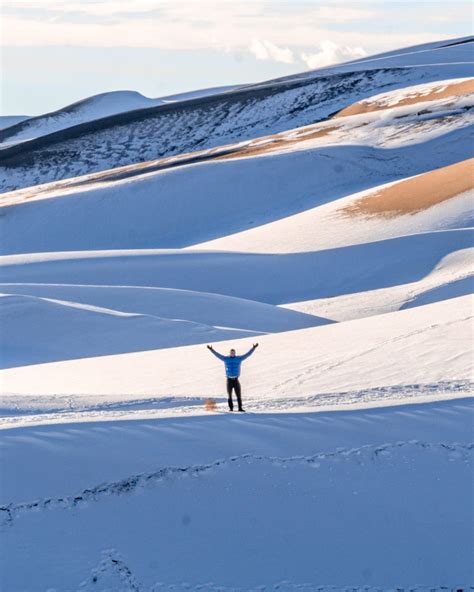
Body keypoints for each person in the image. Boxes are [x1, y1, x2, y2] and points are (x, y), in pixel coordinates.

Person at [207, 343, 259, 412]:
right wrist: (211, 349)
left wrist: (253, 348)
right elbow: (217, 355)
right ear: (230, 353)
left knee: (238, 395)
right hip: (229, 380)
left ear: (235, 353)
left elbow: (247, 354)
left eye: (233, 353)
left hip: (236, 380)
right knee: (229, 395)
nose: (232, 354)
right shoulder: (225, 359)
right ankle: (231, 409)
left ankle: (240, 408)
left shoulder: (239, 358)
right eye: (231, 353)